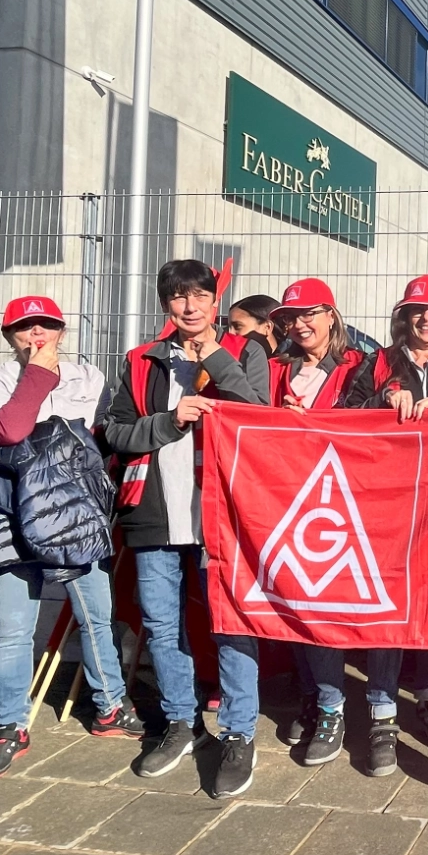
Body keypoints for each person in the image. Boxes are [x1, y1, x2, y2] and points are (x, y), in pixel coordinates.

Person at [285, 274, 428, 774]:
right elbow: (346, 413)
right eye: (415, 311)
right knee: (376, 601)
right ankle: (370, 713)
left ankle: (421, 702)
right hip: (381, 503)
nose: (426, 318)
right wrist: (385, 402)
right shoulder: (378, 362)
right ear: (402, 318)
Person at [102, 258, 272, 799]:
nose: (190, 306)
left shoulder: (246, 353)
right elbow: (115, 431)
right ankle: (181, 722)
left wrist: (217, 362)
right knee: (161, 620)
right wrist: (169, 422)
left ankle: (239, 731)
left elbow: (265, 421)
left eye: (199, 295)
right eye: (178, 297)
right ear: (165, 305)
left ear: (216, 301)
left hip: (224, 513)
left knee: (231, 622)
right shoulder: (139, 362)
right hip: (156, 511)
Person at [0, 296, 139, 780]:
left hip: (73, 517)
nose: (36, 335)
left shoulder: (90, 378)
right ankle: (7, 726)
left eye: (47, 326)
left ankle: (110, 706)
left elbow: (103, 443)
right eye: (24, 328)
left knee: (96, 616)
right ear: (9, 336)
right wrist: (37, 377)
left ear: (61, 331)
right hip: (10, 518)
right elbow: (8, 431)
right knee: (12, 627)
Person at [267, 279, 364, 411]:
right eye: (290, 318)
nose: (298, 325)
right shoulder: (274, 369)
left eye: (308, 314)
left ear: (330, 317)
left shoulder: (359, 365)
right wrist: (283, 418)